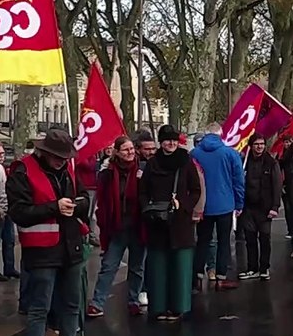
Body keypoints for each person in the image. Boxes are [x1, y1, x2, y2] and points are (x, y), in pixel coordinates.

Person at [7, 129, 100, 336]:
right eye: (57, 156)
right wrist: (54, 207)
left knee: (72, 304)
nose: (61, 160)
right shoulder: (22, 172)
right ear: (45, 153)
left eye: (64, 156)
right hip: (42, 249)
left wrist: (76, 205)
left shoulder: (68, 169)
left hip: (70, 245)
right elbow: (18, 212)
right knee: (40, 308)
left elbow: (84, 199)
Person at [140, 125, 204, 321]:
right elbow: (143, 190)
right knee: (159, 266)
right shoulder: (153, 164)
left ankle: (178, 306)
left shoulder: (186, 162)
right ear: (161, 141)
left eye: (174, 140)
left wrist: (183, 205)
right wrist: (147, 208)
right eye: (167, 140)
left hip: (180, 223)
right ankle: (159, 305)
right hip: (157, 222)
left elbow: (195, 190)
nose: (171, 143)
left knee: (180, 266)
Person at [91, 136, 147, 316]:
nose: (130, 152)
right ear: (116, 152)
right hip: (116, 226)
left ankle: (133, 300)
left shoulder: (142, 170)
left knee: (137, 267)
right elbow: (103, 201)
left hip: (138, 225)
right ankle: (98, 302)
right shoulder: (107, 173)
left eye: (132, 149)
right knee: (109, 265)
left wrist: (143, 180)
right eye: (125, 149)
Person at [190, 123, 246, 288]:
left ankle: (197, 277)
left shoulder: (194, 153)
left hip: (203, 205)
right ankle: (221, 277)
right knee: (224, 242)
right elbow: (238, 181)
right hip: (225, 204)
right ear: (221, 134)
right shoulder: (230, 153)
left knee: (202, 241)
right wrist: (239, 203)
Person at [239, 134, 281, 281]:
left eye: (262, 144)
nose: (259, 147)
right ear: (251, 145)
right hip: (248, 207)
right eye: (256, 144)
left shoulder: (271, 163)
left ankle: (264, 268)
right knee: (250, 239)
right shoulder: (244, 161)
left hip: (265, 207)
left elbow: (277, 186)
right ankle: (252, 268)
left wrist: (275, 206)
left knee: (264, 238)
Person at [0, 141, 20, 279]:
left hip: (8, 209)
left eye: (3, 153)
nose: (2, 156)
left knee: (9, 240)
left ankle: (10, 267)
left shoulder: (7, 169)